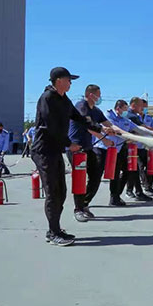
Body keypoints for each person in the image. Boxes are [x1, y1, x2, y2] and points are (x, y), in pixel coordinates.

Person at [31, 67, 111, 247]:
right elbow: (50, 126)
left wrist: (101, 128)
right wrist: (69, 143)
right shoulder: (47, 98)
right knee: (53, 192)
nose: (70, 84)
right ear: (59, 80)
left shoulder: (64, 99)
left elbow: (79, 118)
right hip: (44, 151)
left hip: (54, 151)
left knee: (61, 192)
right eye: (69, 80)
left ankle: (54, 229)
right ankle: (54, 232)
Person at [66, 84, 116, 222]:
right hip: (76, 148)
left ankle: (84, 204)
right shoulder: (81, 106)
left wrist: (123, 133)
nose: (100, 98)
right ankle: (78, 209)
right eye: (98, 95)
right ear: (90, 95)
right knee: (80, 179)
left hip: (88, 147)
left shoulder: (97, 111)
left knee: (96, 176)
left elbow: (109, 125)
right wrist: (104, 138)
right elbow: (87, 125)